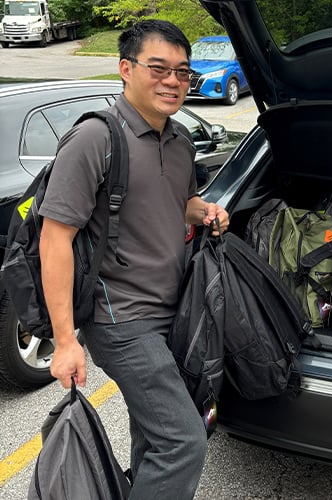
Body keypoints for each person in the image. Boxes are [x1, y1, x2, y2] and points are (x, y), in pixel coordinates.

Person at [39, 20, 228, 499]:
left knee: (155, 437)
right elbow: (55, 239)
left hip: (173, 311)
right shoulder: (96, 139)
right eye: (158, 68)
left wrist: (205, 209)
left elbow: (177, 202)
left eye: (183, 73)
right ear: (126, 69)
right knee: (183, 441)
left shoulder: (181, 142)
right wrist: (64, 341)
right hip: (120, 318)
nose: (173, 82)